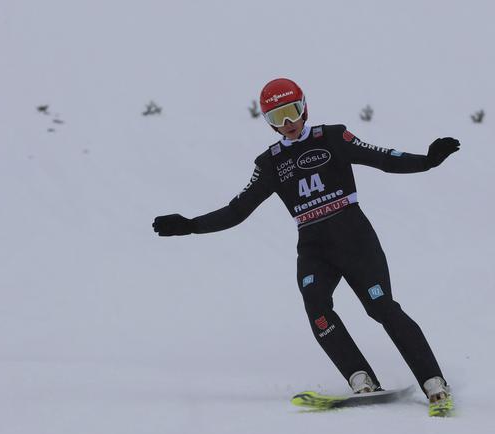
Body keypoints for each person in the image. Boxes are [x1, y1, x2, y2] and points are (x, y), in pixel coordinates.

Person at [153, 78, 460, 416]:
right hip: (314, 248)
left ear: (305, 108)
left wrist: (426, 161)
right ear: (268, 122)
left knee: (381, 308)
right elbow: (238, 210)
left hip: (354, 238)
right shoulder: (269, 163)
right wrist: (191, 225)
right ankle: (361, 380)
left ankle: (434, 384)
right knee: (316, 308)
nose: (287, 124)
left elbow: (382, 158)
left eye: (292, 112)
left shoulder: (332, 137)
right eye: (277, 117)